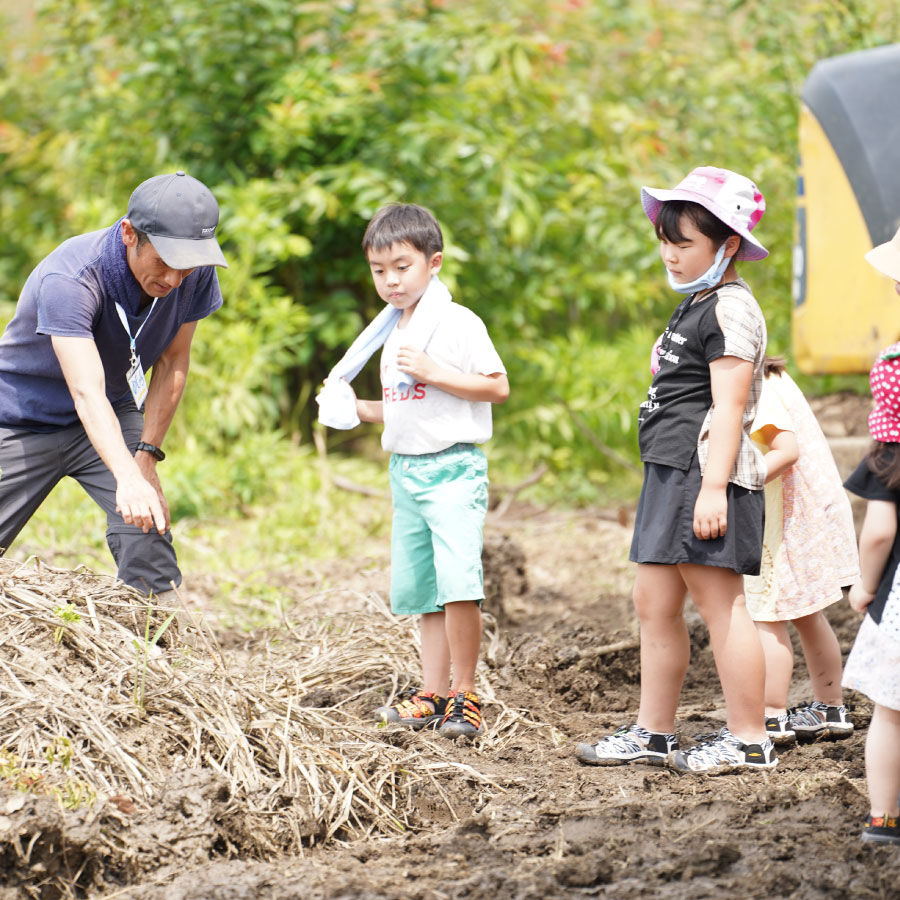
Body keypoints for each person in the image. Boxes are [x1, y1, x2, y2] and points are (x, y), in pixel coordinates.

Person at [576, 166, 775, 773]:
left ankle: (748, 738)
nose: (669, 253)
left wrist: (713, 488)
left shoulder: (732, 309)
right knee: (653, 602)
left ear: (728, 246)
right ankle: (652, 731)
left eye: (684, 242)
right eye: (665, 240)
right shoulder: (698, 303)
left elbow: (731, 403)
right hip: (668, 471)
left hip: (703, 474)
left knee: (722, 606)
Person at [317, 203, 509, 739]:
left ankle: (466, 694)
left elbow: (497, 386)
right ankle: (433, 692)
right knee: (423, 590)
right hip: (406, 472)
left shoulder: (456, 323)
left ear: (434, 262)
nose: (390, 280)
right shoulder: (389, 330)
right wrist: (352, 409)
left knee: (458, 586)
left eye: (402, 266)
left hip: (453, 469)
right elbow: (406, 405)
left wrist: (437, 371)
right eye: (379, 270)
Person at [0, 171, 227, 595]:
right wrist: (126, 475)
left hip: (112, 405)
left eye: (187, 265)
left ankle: (159, 644)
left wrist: (145, 460)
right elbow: (85, 391)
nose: (175, 280)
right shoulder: (71, 277)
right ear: (129, 234)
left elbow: (173, 360)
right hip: (20, 418)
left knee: (147, 529)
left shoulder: (194, 272)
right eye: (164, 261)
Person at [741, 356, 860, 744]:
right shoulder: (772, 376)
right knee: (808, 613)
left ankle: (771, 715)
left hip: (788, 519)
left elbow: (785, 450)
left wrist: (736, 485)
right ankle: (830, 707)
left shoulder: (754, 386)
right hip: (807, 512)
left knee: (767, 615)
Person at [841, 224, 900, 845]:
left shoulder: (894, 370)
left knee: (892, 707)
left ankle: (884, 820)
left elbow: (880, 528)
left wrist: (864, 587)